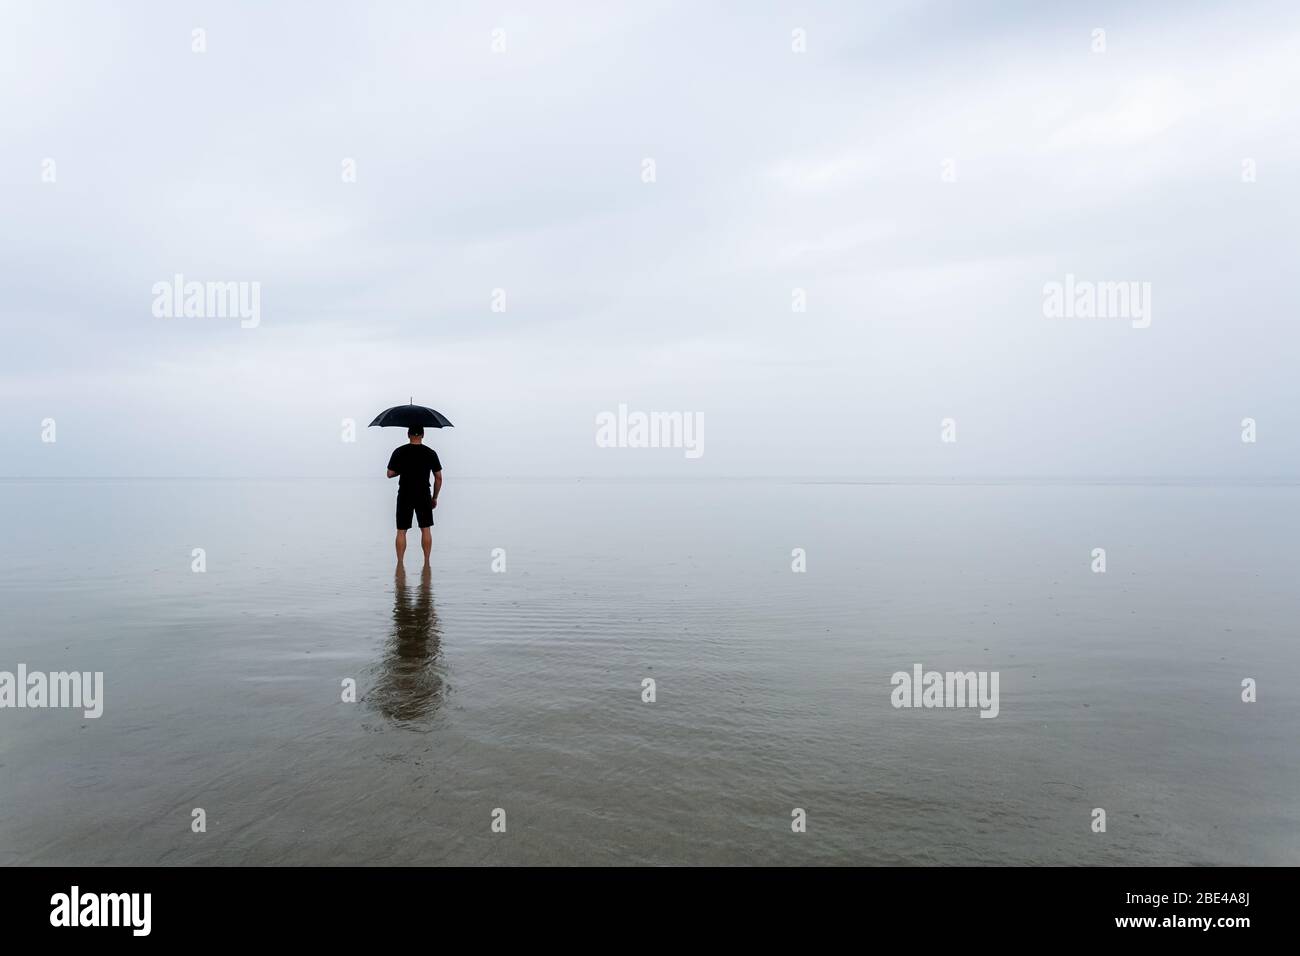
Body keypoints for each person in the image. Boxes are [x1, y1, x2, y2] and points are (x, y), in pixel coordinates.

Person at [386, 426, 443, 566]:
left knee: (401, 530)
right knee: (426, 528)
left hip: (405, 493)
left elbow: (390, 474)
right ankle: (427, 563)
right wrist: (434, 497)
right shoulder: (430, 453)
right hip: (423, 493)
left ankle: (400, 563)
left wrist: (402, 470)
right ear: (423, 435)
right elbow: (439, 478)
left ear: (408, 434)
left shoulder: (399, 451)